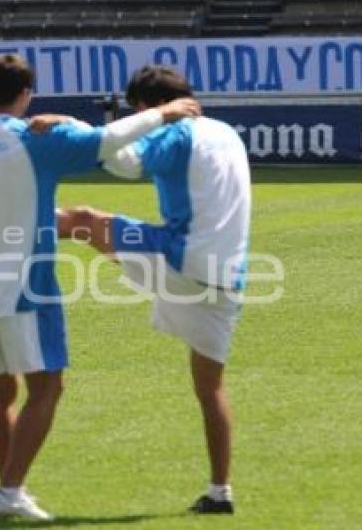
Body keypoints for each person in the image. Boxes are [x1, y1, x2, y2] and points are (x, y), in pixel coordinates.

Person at [0, 54, 200, 521]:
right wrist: (165, 112)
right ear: (26, 94)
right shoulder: (31, 138)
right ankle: (9, 491)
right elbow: (106, 141)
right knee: (47, 388)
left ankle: (10, 492)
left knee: (1, 394)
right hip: (25, 285)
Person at [51, 65, 251, 515]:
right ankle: (221, 491)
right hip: (229, 276)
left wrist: (74, 127)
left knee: (82, 221)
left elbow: (122, 161)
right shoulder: (227, 133)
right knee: (210, 387)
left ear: (146, 107)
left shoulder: (176, 131)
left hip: (183, 259)